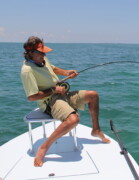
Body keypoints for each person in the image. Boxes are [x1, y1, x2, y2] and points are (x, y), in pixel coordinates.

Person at [21, 36, 110, 167]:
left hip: (62, 94)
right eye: (41, 52)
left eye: (44, 51)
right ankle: (44, 147)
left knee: (93, 95)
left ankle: (96, 130)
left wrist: (67, 72)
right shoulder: (27, 71)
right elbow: (32, 97)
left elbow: (53, 68)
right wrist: (53, 90)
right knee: (73, 120)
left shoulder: (42, 59)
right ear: (31, 53)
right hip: (49, 102)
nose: (44, 54)